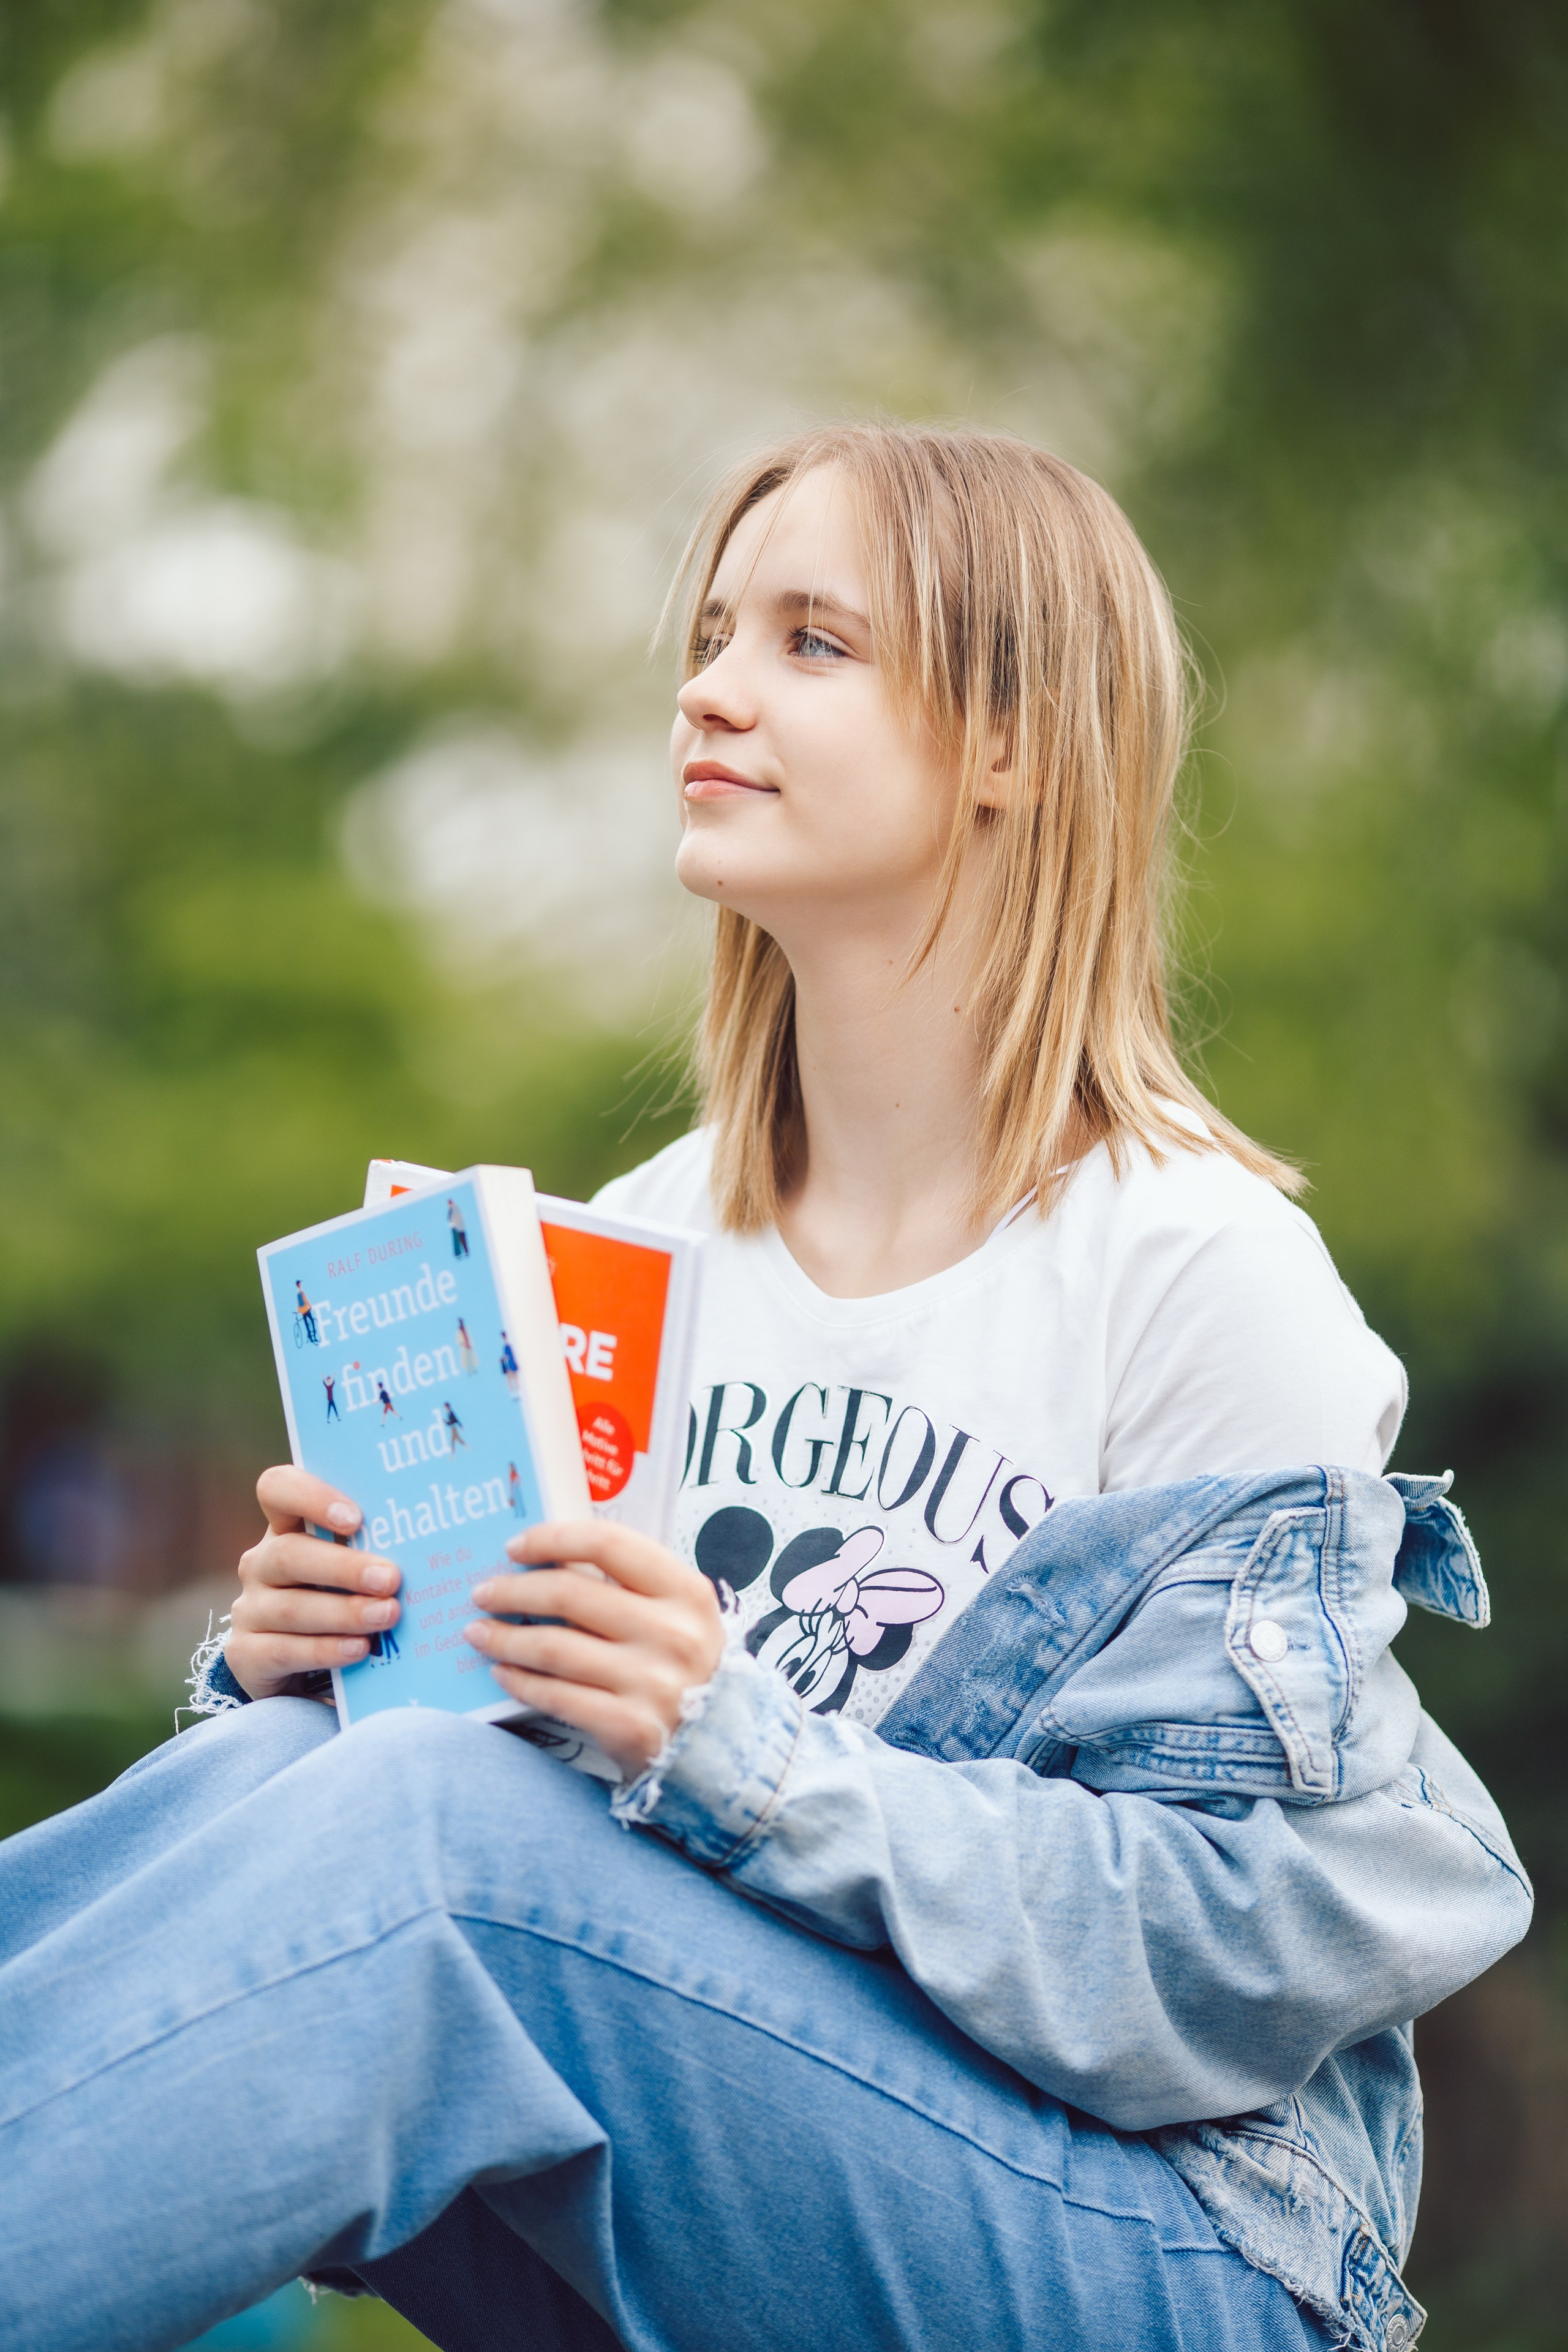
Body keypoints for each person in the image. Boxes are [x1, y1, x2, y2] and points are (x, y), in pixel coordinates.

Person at [0, 426, 1529, 2352]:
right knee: (298, 1765)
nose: (708, 691)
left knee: (435, 1844)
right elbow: (502, 1794)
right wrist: (326, 1654)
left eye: (813, 642)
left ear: (1010, 745)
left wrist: (732, 1745)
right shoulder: (632, 1255)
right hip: (737, 2158)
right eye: (716, 635)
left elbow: (1254, 1947)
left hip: (1171, 2250)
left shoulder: (1198, 1275)